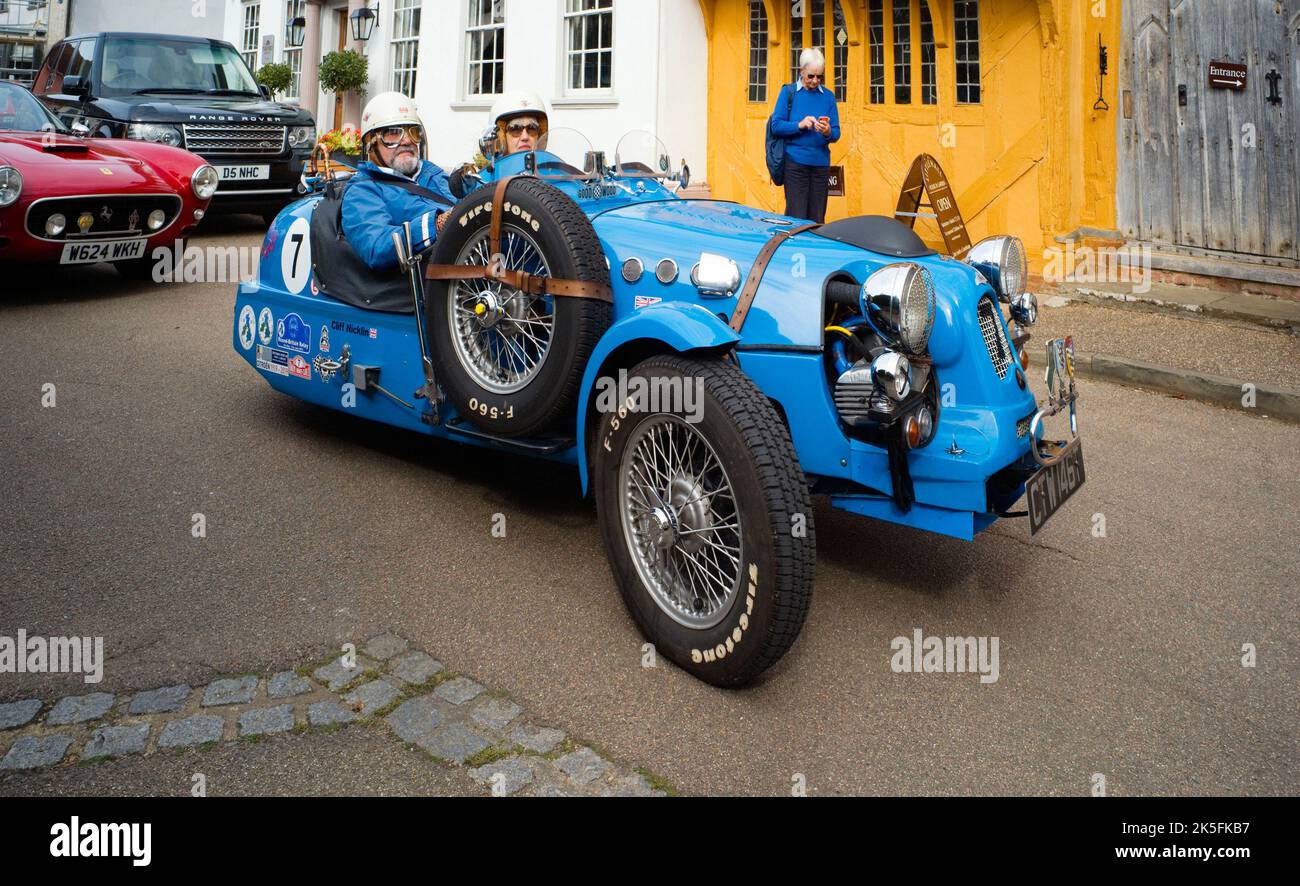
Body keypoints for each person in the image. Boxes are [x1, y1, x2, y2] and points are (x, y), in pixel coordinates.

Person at [341, 91, 457, 272]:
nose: (408, 140)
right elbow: (376, 247)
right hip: (434, 284)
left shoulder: (430, 172)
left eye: (413, 131)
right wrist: (436, 225)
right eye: (393, 133)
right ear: (371, 143)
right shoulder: (362, 190)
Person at [769, 48, 840, 224]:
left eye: (819, 77)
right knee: (796, 217)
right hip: (795, 165)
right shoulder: (789, 93)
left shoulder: (828, 97)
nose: (815, 81)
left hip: (820, 166)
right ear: (801, 71)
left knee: (817, 219)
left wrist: (827, 132)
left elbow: (836, 132)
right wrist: (799, 125)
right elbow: (776, 125)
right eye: (811, 76)